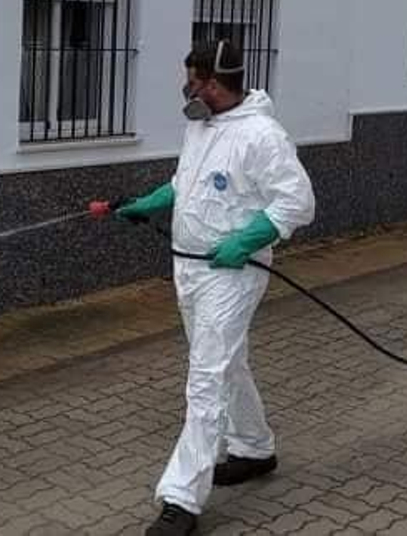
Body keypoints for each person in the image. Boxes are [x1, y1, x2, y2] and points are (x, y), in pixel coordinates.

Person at [115, 40, 316, 536]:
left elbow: (298, 200)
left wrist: (248, 239)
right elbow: (188, 182)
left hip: (233, 272)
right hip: (189, 268)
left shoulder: (261, 135)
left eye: (193, 81)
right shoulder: (201, 126)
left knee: (205, 376)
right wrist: (151, 201)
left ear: (214, 82)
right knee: (228, 361)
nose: (186, 90)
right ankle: (254, 447)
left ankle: (181, 499)